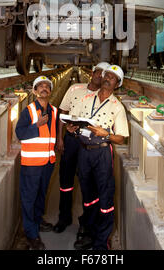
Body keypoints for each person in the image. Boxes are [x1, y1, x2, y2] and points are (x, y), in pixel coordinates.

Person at [70, 65, 129, 251]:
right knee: (88, 195)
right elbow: (76, 120)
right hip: (84, 151)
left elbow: (121, 138)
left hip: (102, 153)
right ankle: (89, 230)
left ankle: (102, 242)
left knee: (104, 198)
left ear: (117, 84)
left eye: (112, 77)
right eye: (106, 75)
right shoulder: (87, 99)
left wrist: (105, 134)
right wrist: (71, 128)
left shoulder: (117, 107)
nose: (107, 78)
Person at [53, 62, 110, 235]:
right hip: (71, 141)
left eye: (105, 76)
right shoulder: (75, 88)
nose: (101, 77)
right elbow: (61, 112)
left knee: (88, 183)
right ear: (92, 73)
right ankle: (64, 217)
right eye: (99, 73)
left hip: (90, 144)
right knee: (66, 180)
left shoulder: (105, 96)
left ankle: (86, 224)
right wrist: (59, 138)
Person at [15, 75, 58, 250]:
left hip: (48, 162)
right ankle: (31, 234)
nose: (43, 88)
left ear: (50, 91)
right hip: (32, 163)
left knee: (41, 195)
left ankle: (38, 221)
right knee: (29, 198)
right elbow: (20, 133)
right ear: (34, 91)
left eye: (47, 86)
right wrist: (37, 125)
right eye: (40, 86)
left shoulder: (54, 110)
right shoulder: (29, 111)